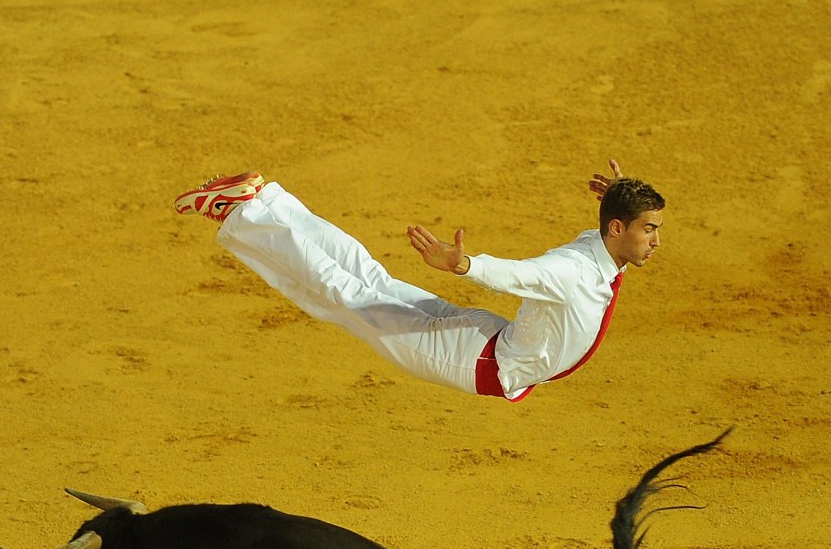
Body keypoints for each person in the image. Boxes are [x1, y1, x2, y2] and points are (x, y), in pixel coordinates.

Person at [173, 160, 664, 401]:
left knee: (366, 279)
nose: (655, 241)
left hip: (481, 338)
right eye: (648, 229)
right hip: (471, 357)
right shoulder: (572, 271)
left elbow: (605, 236)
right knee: (345, 295)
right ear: (617, 228)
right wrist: (464, 265)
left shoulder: (597, 247)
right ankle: (242, 211)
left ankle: (266, 202)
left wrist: (618, 195)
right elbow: (520, 275)